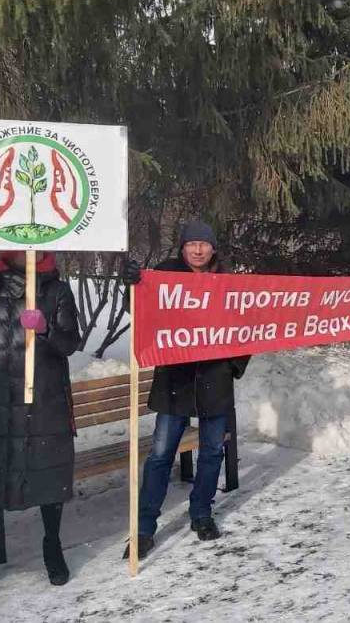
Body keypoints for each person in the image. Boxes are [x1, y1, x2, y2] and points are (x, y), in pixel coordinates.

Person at [122, 221, 251, 560]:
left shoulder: (227, 283)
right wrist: (132, 285)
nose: (198, 250)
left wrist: (232, 366)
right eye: (191, 243)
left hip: (215, 381)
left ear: (213, 248)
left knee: (211, 452)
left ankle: (201, 514)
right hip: (175, 383)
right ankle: (145, 529)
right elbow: (137, 311)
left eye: (204, 244)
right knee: (161, 456)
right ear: (181, 247)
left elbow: (248, 326)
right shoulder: (163, 275)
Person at [0, 251, 81, 594]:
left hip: (44, 399)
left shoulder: (58, 291)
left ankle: (52, 545)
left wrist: (45, 331)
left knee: (48, 471)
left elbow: (71, 342)